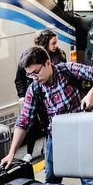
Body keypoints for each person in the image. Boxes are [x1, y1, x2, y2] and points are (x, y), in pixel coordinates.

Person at [1, 45, 93, 185]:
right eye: (30, 75)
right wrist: (12, 153)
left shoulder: (69, 70)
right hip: (56, 141)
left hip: (83, 138)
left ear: (48, 63)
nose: (34, 78)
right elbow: (23, 121)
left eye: (36, 72)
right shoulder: (35, 89)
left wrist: (92, 94)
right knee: (50, 184)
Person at [14, 29, 67, 161]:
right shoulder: (28, 58)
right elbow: (19, 79)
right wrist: (22, 95)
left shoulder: (60, 55)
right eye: (53, 43)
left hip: (54, 99)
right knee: (31, 123)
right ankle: (30, 152)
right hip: (37, 97)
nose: (56, 46)